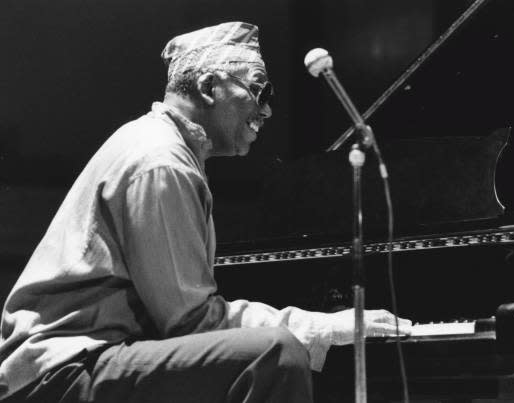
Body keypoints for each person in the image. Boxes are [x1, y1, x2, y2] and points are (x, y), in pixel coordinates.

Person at [0, 22, 412, 403]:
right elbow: (191, 322)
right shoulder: (161, 161)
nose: (267, 111)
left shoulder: (164, 149)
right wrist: (321, 327)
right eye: (259, 91)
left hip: (91, 358)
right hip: (63, 369)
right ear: (208, 86)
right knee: (274, 353)